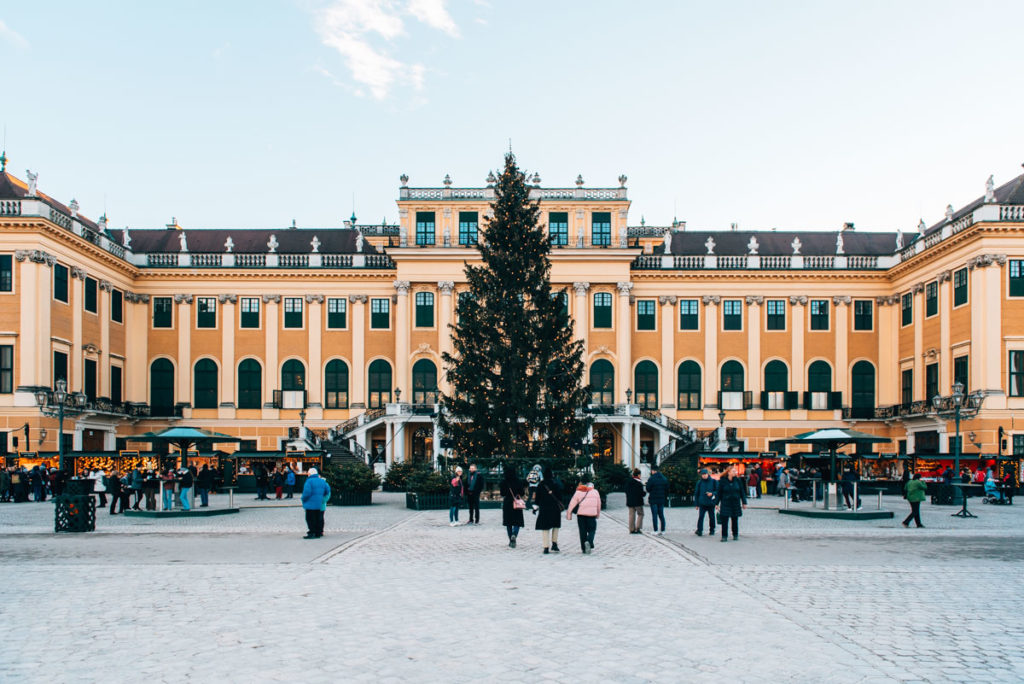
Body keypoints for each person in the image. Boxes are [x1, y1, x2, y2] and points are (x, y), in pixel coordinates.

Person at [566, 480, 600, 554]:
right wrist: (597, 514)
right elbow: (598, 504)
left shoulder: (578, 492)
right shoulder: (595, 492)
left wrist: (569, 514)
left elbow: (572, 503)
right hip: (592, 514)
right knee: (592, 530)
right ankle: (589, 541)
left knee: (582, 531)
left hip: (581, 515)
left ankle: (584, 548)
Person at [534, 465, 563, 553]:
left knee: (545, 528)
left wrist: (536, 507)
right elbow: (560, 496)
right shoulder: (555, 484)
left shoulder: (540, 485)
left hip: (544, 508)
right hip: (554, 508)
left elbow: (537, 498)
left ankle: (546, 547)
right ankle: (554, 543)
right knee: (555, 526)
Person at [716, 466, 747, 542]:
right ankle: (724, 536)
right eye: (733, 471)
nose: (735, 472)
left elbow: (742, 492)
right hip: (725, 502)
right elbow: (719, 493)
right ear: (729, 472)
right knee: (724, 520)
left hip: (735, 502)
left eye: (735, 471)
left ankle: (735, 534)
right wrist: (716, 503)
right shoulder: (723, 481)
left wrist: (744, 502)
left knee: (735, 519)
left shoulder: (738, 481)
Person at [300, 467, 331, 539]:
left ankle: (312, 532)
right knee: (318, 518)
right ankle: (318, 533)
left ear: (310, 473)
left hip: (310, 504)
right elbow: (327, 490)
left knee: (310, 519)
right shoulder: (322, 481)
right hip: (318, 504)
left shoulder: (309, 481)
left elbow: (306, 493)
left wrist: (303, 499)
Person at [499, 465, 525, 548]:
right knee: (517, 521)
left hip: (507, 503)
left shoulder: (504, 482)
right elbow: (522, 493)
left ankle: (510, 539)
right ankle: (514, 534)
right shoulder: (518, 481)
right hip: (516, 503)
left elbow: (502, 493)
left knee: (508, 523)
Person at [694, 468, 718, 536]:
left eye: (705, 474)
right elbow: (696, 493)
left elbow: (718, 491)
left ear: (708, 474)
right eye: (702, 474)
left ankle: (712, 530)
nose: (704, 476)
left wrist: (712, 493)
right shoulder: (699, 482)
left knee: (712, 517)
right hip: (702, 502)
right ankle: (699, 530)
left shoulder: (714, 481)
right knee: (701, 517)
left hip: (711, 502)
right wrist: (696, 504)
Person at [646, 464, 669, 536]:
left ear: (653, 471)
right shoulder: (664, 478)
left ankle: (655, 530)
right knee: (661, 515)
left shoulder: (651, 479)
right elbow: (667, 489)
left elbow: (648, 489)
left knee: (654, 515)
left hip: (653, 499)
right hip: (661, 499)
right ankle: (663, 530)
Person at [625, 468, 645, 534]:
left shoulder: (628, 481)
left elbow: (626, 491)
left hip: (630, 501)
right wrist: (645, 493)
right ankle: (638, 528)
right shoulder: (639, 483)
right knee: (640, 514)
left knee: (631, 515)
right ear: (638, 475)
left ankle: (631, 529)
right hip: (638, 502)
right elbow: (642, 493)